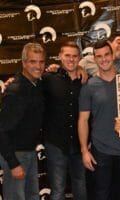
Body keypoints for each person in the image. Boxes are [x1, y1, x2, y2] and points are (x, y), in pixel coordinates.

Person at [78, 40, 120, 200]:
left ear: (113, 56)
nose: (103, 59)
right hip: (101, 149)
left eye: (106, 54)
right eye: (99, 56)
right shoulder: (89, 86)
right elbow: (83, 120)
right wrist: (84, 150)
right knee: (102, 193)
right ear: (95, 59)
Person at [0, 42, 46, 200]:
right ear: (24, 63)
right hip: (16, 155)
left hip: (29, 152)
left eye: (41, 62)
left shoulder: (35, 84)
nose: (38, 66)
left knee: (32, 196)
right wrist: (13, 163)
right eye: (33, 61)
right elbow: (2, 130)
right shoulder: (15, 91)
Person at [42, 41, 86, 200]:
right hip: (56, 143)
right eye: (67, 55)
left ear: (79, 58)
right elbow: (29, 85)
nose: (71, 59)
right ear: (60, 56)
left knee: (81, 186)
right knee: (58, 189)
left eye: (75, 56)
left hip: (80, 144)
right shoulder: (48, 78)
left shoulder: (86, 81)